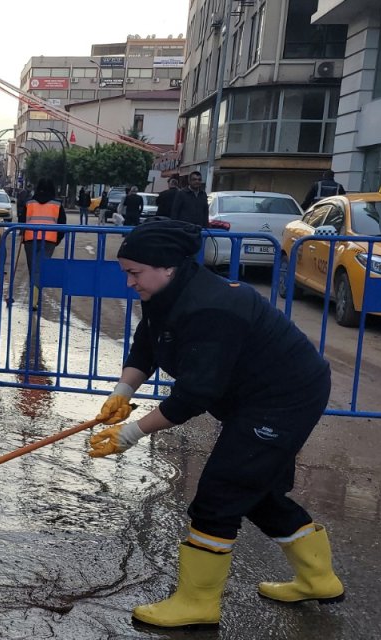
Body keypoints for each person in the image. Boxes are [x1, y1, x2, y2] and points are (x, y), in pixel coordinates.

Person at [88, 220, 344, 629]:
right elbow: (147, 343)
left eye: (134, 272)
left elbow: (194, 395)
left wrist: (131, 433)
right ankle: (318, 579)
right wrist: (123, 391)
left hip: (282, 399)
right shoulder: (169, 292)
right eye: (125, 272)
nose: (129, 281)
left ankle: (197, 603)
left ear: (167, 265)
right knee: (255, 490)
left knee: (220, 495)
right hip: (252, 398)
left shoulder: (212, 308)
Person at [17, 178, 66, 304]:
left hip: (30, 239)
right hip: (49, 240)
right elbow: (62, 225)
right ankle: (34, 299)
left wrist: (22, 235)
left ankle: (34, 297)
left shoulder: (29, 203)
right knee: (40, 269)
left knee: (33, 268)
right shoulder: (57, 204)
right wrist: (57, 239)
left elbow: (22, 221)